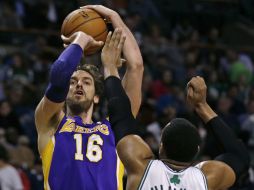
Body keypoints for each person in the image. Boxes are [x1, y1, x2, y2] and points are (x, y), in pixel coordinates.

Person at [35, 6, 143, 190]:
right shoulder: (50, 122)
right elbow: (60, 73)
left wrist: (114, 17)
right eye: (73, 82)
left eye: (86, 82)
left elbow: (136, 66)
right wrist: (82, 39)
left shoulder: (116, 129)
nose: (78, 85)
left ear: (96, 98)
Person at [102, 58, 250, 189]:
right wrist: (202, 106)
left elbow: (120, 114)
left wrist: (109, 66)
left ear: (161, 147)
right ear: (196, 150)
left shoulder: (141, 167)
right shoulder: (206, 179)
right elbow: (240, 155)